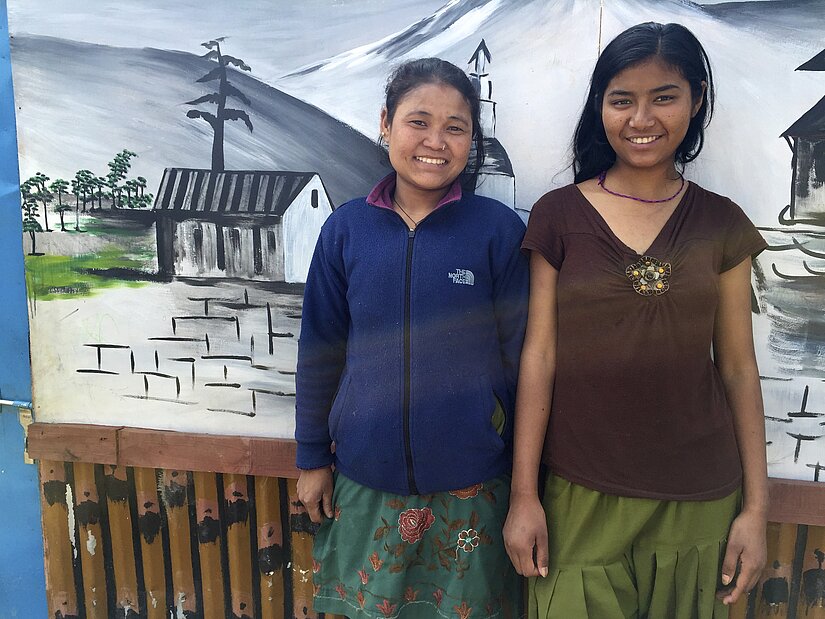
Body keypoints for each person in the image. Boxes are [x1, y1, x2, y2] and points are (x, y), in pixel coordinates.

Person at [503, 22, 768, 618]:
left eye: (663, 97)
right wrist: (525, 494)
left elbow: (738, 370)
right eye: (621, 100)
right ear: (600, 107)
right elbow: (539, 356)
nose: (641, 118)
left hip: (700, 497)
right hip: (578, 494)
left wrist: (755, 510)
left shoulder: (722, 224)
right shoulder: (559, 216)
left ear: (695, 100)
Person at [295, 57, 529, 618]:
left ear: (473, 139)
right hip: (362, 480)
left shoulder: (498, 231)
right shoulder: (346, 229)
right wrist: (310, 457)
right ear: (386, 124)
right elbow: (320, 347)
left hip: (473, 485)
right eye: (418, 121)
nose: (436, 141)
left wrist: (526, 484)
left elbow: (525, 364)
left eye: (456, 127)